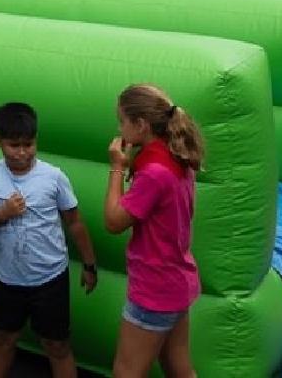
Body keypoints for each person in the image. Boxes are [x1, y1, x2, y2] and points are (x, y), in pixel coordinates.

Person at [0, 103, 98, 378]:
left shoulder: (53, 176)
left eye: (28, 144)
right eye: (13, 145)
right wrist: (2, 213)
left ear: (36, 141)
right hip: (8, 279)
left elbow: (74, 222)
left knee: (57, 344)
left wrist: (89, 264)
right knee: (3, 339)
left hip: (50, 278)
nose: (21, 152)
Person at [105, 84, 204, 378]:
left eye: (122, 121)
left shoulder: (153, 173)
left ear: (140, 125)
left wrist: (116, 168)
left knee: (127, 371)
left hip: (155, 288)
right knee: (178, 367)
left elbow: (113, 221)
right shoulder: (178, 158)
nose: (120, 128)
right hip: (176, 281)